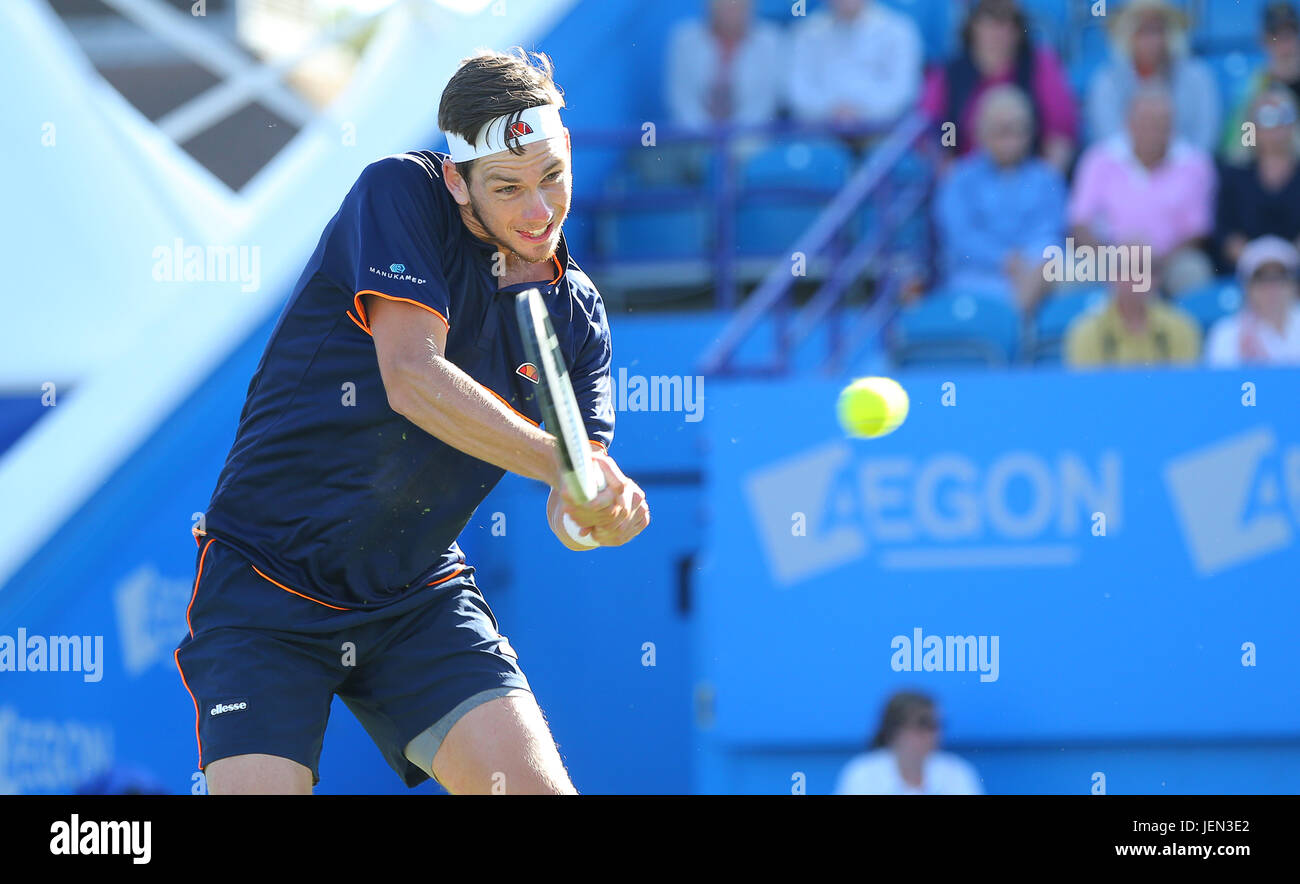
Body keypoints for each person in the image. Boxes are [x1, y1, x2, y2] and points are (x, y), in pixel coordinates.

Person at [175, 49, 651, 795]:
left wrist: (597, 508)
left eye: (553, 177)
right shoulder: (399, 190)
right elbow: (412, 379)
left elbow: (570, 496)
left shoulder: (579, 315)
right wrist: (563, 465)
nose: (539, 211)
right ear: (459, 181)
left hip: (414, 597)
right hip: (263, 587)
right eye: (508, 187)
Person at [1069, 85, 1215, 295]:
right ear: (1128, 124)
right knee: (1069, 271)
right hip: (1108, 258)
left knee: (1193, 271)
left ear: (1172, 127)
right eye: (1144, 123)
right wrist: (1113, 262)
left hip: (1167, 261)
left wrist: (1155, 264)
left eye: (1160, 124)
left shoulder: (1195, 164)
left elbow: (1196, 233)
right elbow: (1080, 223)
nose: (1152, 132)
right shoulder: (1099, 158)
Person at [933, 85, 1066, 312]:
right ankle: (1018, 329)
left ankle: (1014, 325)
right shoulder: (958, 180)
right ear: (980, 132)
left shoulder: (1046, 179)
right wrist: (1004, 259)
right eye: (1002, 131)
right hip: (977, 274)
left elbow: (1050, 232)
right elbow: (959, 240)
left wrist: (1028, 261)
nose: (1011, 140)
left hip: (1035, 270)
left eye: (1019, 130)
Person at [919, 0, 1077, 174]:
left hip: (1028, 177)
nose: (998, 31)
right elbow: (933, 128)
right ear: (973, 25)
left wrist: (1041, 184)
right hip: (966, 178)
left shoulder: (1039, 64)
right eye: (989, 21)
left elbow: (1059, 133)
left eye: (1006, 22)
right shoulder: (950, 73)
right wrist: (953, 178)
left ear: (1018, 28)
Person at [1085, 0, 1219, 152]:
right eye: (1142, 32)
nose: (1152, 40)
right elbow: (1110, 142)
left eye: (1158, 31)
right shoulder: (1107, 81)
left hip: (1186, 170)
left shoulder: (1197, 77)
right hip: (1123, 172)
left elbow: (1204, 140)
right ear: (1127, 36)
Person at [787, 0, 923, 131]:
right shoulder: (806, 32)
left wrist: (861, 112)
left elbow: (902, 90)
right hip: (820, 130)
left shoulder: (898, 30)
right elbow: (798, 90)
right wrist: (832, 111)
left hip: (882, 132)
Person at [1215, 88, 1300, 273]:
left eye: (1283, 116)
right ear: (1252, 127)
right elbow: (1225, 232)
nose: (1274, 125)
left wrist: (1287, 264)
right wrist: (1257, 263)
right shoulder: (1233, 174)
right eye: (1266, 117)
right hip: (1246, 273)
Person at [665, 0, 785, 131]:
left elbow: (763, 104)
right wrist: (705, 136)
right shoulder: (684, 39)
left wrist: (733, 140)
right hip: (693, 140)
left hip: (751, 140)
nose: (731, 6)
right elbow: (682, 100)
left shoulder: (771, 41)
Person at [1064, 255, 1202, 367]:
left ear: (1157, 278)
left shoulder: (1181, 327)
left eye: (1144, 271)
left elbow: (1184, 387)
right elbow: (1087, 391)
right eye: (1127, 270)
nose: (1136, 279)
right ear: (1111, 276)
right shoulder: (1086, 331)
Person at [835, 692, 982, 795]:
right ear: (895, 729)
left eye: (938, 724)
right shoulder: (863, 775)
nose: (934, 732)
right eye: (924, 723)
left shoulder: (956, 773)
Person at [1220, 2, 1300, 166]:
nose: (1285, 45)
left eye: (1290, 35)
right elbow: (1242, 147)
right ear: (1263, 40)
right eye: (1276, 36)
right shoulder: (1251, 91)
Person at [1206, 236, 1300, 366]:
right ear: (1247, 287)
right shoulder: (1226, 334)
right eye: (1261, 279)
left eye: (1280, 277)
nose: (1272, 287)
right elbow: (1222, 384)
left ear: (1293, 285)